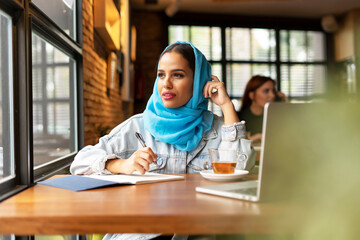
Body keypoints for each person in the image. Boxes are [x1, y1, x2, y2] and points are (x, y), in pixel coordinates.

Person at [70, 41, 255, 240]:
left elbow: (242, 167)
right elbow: (79, 164)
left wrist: (226, 105)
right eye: (161, 75)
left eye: (177, 75)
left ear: (199, 81)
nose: (166, 84)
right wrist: (122, 164)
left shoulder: (220, 129)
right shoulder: (138, 126)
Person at [237, 75, 288, 143]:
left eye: (273, 91)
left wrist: (286, 104)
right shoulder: (238, 118)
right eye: (266, 91)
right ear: (252, 95)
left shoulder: (275, 118)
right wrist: (252, 138)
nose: (272, 95)